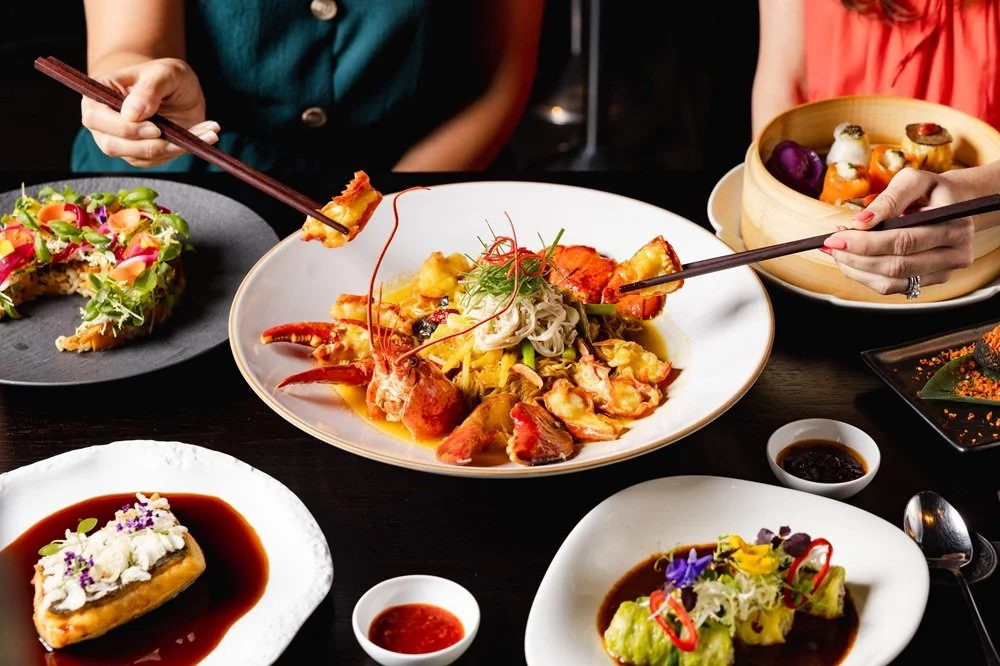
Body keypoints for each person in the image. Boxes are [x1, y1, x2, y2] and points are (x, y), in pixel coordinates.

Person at [73, 0, 544, 174]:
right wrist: (137, 94)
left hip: (428, 182)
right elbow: (129, 45)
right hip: (191, 187)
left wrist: (388, 218)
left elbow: (497, 83)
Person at [751, 0, 1000, 298]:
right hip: (791, 285)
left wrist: (975, 197)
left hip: (983, 284)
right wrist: (784, 209)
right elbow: (783, 82)